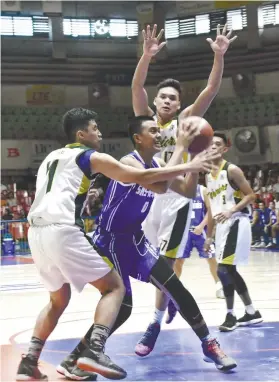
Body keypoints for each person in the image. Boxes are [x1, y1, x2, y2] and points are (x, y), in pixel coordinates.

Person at [16, 108, 204, 381]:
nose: (100, 132)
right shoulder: (91, 156)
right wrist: (188, 165)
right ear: (81, 134)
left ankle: (29, 362)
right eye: (95, 127)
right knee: (115, 287)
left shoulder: (50, 157)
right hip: (62, 230)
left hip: (36, 233)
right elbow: (140, 177)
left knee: (58, 300)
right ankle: (94, 350)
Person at [62, 116, 237, 375]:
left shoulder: (157, 163)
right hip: (110, 243)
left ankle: (209, 345)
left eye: (158, 130)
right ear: (138, 138)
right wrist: (181, 149)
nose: (158, 134)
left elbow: (188, 191)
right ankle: (75, 357)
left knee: (176, 288)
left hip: (136, 240)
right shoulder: (128, 162)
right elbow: (161, 185)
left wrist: (194, 161)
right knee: (123, 310)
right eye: (153, 131)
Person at [132, 23, 237, 355]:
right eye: (162, 95)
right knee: (146, 266)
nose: (166, 100)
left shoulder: (187, 122)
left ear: (178, 105)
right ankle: (172, 296)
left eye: (172, 98)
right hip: (149, 197)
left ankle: (153, 323)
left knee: (164, 262)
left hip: (177, 198)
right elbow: (137, 85)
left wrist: (219, 56)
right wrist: (146, 56)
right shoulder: (145, 121)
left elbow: (210, 89)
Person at [205, 133, 263, 332]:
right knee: (229, 270)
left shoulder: (231, 170)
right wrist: (209, 235)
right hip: (221, 226)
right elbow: (212, 209)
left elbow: (251, 195)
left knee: (223, 270)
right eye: (210, 143)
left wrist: (231, 210)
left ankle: (231, 315)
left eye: (217, 144)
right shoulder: (207, 175)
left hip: (236, 221)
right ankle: (252, 311)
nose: (212, 146)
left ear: (225, 149)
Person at [166, 182, 224, 325]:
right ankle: (174, 290)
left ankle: (219, 286)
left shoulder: (202, 189)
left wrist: (202, 226)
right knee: (178, 261)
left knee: (211, 258)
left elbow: (210, 211)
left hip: (200, 231)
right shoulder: (177, 189)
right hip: (183, 232)